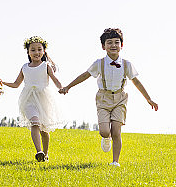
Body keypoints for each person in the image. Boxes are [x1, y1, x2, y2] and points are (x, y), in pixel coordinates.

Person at [59, 27, 158, 166]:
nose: (113, 45)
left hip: (120, 98)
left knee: (117, 131)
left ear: (121, 45)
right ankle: (106, 138)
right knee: (105, 131)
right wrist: (68, 87)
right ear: (103, 46)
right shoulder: (99, 63)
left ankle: (115, 162)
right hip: (103, 99)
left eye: (116, 42)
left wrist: (149, 99)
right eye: (109, 42)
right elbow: (84, 75)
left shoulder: (126, 64)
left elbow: (136, 81)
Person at [0, 35, 62, 162]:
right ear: (28, 52)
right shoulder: (25, 67)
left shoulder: (46, 66)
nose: (36, 52)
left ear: (44, 51)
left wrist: (62, 88)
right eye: (33, 50)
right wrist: (3, 82)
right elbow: (16, 84)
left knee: (44, 130)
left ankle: (45, 155)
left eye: (39, 49)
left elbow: (55, 80)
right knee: (35, 123)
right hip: (29, 99)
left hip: (43, 99)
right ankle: (39, 151)